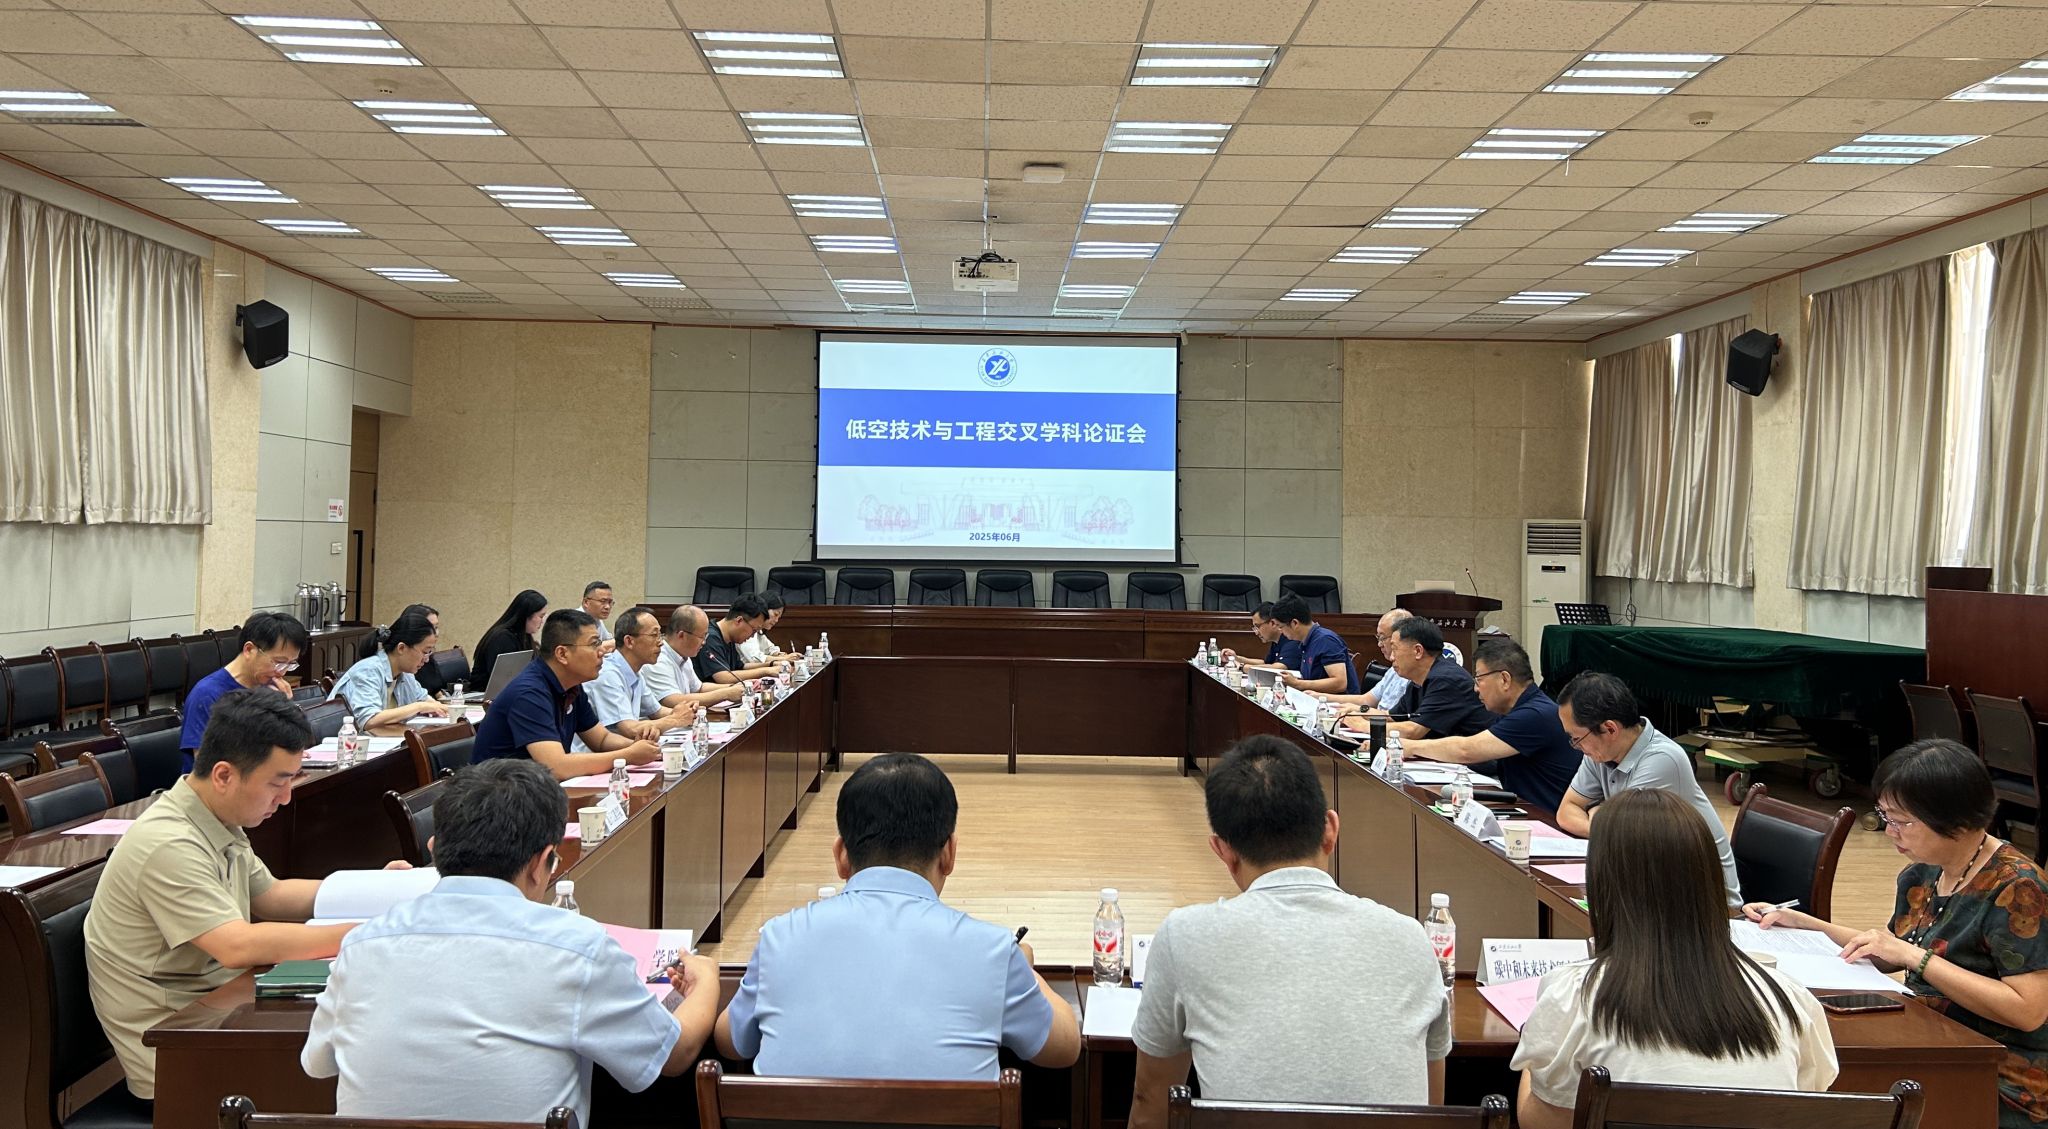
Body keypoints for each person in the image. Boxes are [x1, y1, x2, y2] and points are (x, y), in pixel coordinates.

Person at [303, 759, 718, 1126]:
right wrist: (707, 981)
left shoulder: (360, 944)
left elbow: (318, 1064)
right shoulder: (579, 948)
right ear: (541, 863)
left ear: (434, 849)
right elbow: (673, 1054)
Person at [87, 691, 404, 1100]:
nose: (286, 797)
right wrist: (370, 932)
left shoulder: (214, 815)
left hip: (219, 1008)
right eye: (278, 782)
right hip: (173, 1046)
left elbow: (271, 895)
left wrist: (377, 890)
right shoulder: (168, 842)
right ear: (224, 775)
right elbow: (236, 945)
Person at [1129, 735, 1448, 1127]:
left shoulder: (1185, 935)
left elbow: (1151, 1105)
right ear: (1330, 830)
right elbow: (1431, 1111)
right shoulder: (1412, 939)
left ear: (1223, 850)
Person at [714, 753, 1080, 1078]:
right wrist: (1022, 969)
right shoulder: (992, 950)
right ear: (949, 855)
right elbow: (1064, 1048)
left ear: (841, 856)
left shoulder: (780, 937)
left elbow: (732, 1042)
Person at [1746, 739, 2048, 1128]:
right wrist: (1806, 924)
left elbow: (2028, 1011)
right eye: (1885, 816)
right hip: (1929, 1040)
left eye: (1901, 821)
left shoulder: (2018, 887)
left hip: (1998, 1072)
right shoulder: (1923, 871)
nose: (1890, 832)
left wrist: (1915, 958)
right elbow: (1892, 950)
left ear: (1955, 820)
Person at [1513, 788, 1837, 1129]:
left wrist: (1536, 1047)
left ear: (1602, 888)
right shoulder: (1789, 999)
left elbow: (1541, 1122)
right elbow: (1808, 1100)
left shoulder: (1575, 996)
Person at [1554, 672, 1741, 905]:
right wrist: (1601, 821)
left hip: (1703, 901)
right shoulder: (1599, 753)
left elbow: (1621, 835)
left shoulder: (1662, 759)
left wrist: (1600, 817)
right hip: (1652, 882)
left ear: (1610, 729)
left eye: (1577, 738)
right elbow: (1567, 812)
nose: (1576, 746)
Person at [470, 609, 660, 779]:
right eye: (594, 644)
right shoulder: (529, 693)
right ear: (562, 654)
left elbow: (602, 739)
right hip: (498, 796)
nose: (602, 651)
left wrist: (641, 747)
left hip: (535, 790)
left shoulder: (571, 686)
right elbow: (556, 767)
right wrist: (628, 755)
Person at [1403, 638, 1579, 811]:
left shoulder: (1534, 714)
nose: (1475, 688)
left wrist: (1409, 747)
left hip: (1548, 818)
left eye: (1479, 679)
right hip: (1525, 809)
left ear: (1504, 679)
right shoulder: (1516, 710)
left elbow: (1466, 750)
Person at [178, 612, 312, 773]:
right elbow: (207, 766)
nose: (282, 672)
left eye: (290, 665)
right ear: (249, 650)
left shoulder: (270, 688)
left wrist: (286, 711)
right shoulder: (207, 694)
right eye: (278, 662)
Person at [575, 606, 694, 751]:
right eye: (654, 635)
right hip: (596, 758)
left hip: (624, 752)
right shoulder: (607, 674)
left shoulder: (635, 671)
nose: (661, 642)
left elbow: (656, 711)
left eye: (660, 634)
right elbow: (629, 729)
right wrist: (675, 719)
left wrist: (687, 712)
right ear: (629, 641)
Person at [326, 609, 450, 731]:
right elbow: (369, 720)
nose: (426, 659)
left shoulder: (405, 674)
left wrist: (441, 709)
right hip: (346, 741)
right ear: (401, 648)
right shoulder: (368, 671)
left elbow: (425, 701)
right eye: (425, 652)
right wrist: (419, 707)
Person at [1378, 617, 1493, 741]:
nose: (1391, 657)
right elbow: (1391, 717)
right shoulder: (1417, 683)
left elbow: (1414, 731)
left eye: (1395, 649)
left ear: (1418, 651)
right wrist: (1361, 714)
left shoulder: (1447, 680)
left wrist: (1366, 725)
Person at [643, 605, 744, 710]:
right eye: (701, 637)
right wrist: (725, 694)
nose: (704, 642)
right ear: (681, 635)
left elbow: (699, 688)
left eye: (706, 636)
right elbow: (673, 701)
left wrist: (736, 687)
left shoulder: (683, 655)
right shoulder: (657, 660)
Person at [1319, 609, 1415, 713]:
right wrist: (1319, 697)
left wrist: (1359, 711)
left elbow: (1396, 718)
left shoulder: (1412, 675)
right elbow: (1366, 700)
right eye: (1378, 637)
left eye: (1383, 638)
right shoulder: (1393, 670)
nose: (1379, 644)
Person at [1272, 595, 1358, 696]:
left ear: (1295, 623)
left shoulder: (1326, 640)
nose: (1280, 632)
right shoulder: (1306, 641)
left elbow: (1340, 683)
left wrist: (1298, 683)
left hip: (1339, 703)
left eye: (1280, 627)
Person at [694, 594, 780, 685]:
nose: (752, 636)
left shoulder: (730, 638)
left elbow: (741, 667)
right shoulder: (710, 638)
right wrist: (766, 671)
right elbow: (723, 677)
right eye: (754, 630)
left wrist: (771, 664)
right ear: (739, 620)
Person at [472, 589, 547, 690]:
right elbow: (504, 679)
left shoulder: (524, 636)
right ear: (526, 615)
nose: (542, 621)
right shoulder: (502, 638)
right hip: (485, 693)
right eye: (541, 616)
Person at [1219, 603, 1299, 671]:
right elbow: (1265, 664)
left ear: (1273, 623)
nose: (1256, 632)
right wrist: (1236, 658)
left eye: (1257, 626)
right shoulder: (1276, 642)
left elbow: (1279, 668)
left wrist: (1242, 667)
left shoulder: (1291, 639)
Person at [737, 591, 792, 666]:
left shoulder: (759, 630)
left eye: (779, 617)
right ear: (764, 608)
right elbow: (755, 658)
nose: (776, 620)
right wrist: (784, 658)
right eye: (775, 614)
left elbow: (770, 648)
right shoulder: (747, 626)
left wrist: (780, 654)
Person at [582, 581, 617, 649]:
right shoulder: (574, 621)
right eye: (602, 601)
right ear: (586, 602)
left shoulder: (597, 619)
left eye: (610, 602)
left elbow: (608, 640)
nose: (607, 607)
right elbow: (586, 649)